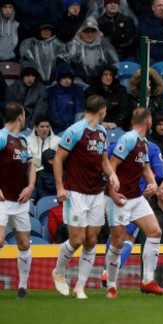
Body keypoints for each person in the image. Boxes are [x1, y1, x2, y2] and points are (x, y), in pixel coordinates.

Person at [51, 95, 120, 299]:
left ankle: (80, 287)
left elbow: (104, 160)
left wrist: (112, 175)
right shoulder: (74, 131)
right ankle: (58, 271)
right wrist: (59, 188)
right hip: (76, 193)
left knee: (91, 240)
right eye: (105, 110)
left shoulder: (102, 132)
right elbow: (57, 160)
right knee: (76, 239)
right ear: (101, 111)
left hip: (97, 193)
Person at [103, 108, 163, 298]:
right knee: (118, 242)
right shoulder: (129, 138)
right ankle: (111, 286)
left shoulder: (143, 143)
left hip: (136, 197)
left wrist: (153, 184)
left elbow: (146, 167)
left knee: (155, 232)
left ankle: (148, 281)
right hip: (120, 197)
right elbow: (111, 165)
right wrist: (113, 193)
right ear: (148, 121)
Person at [0, 103, 35, 299]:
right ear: (20, 117)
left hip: (20, 202)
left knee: (24, 244)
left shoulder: (22, 140)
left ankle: (22, 287)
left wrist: (30, 187)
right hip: (2, 200)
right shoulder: (2, 137)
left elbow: (31, 165)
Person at [64, 17, 119, 86]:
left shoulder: (105, 45)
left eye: (93, 31)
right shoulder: (72, 46)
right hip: (79, 82)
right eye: (86, 31)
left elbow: (115, 63)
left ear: (97, 32)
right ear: (80, 32)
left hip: (102, 83)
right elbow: (66, 66)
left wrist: (104, 75)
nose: (90, 34)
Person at [19, 20, 67, 85]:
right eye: (44, 29)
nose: (47, 31)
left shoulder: (58, 44)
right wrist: (35, 77)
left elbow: (62, 63)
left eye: (49, 29)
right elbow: (27, 63)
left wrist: (55, 78)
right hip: (34, 82)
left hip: (54, 82)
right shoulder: (28, 44)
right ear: (38, 30)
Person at [85, 64, 130, 130]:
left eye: (110, 74)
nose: (108, 77)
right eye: (105, 74)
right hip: (95, 125)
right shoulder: (91, 91)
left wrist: (116, 123)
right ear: (100, 76)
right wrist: (99, 122)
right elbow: (88, 111)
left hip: (117, 126)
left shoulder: (120, 90)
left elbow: (125, 110)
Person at [4, 61, 48, 130]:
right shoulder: (12, 89)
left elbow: (39, 111)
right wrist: (24, 127)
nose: (30, 79)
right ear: (23, 76)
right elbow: (11, 112)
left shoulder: (41, 90)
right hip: (16, 125)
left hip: (34, 126)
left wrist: (30, 127)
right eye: (27, 76)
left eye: (33, 76)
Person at [47, 63, 85, 134]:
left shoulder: (78, 91)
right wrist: (63, 127)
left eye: (69, 78)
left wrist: (74, 128)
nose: (67, 80)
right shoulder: (52, 92)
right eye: (64, 77)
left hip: (75, 130)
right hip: (56, 130)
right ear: (59, 78)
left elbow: (80, 111)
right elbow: (51, 112)